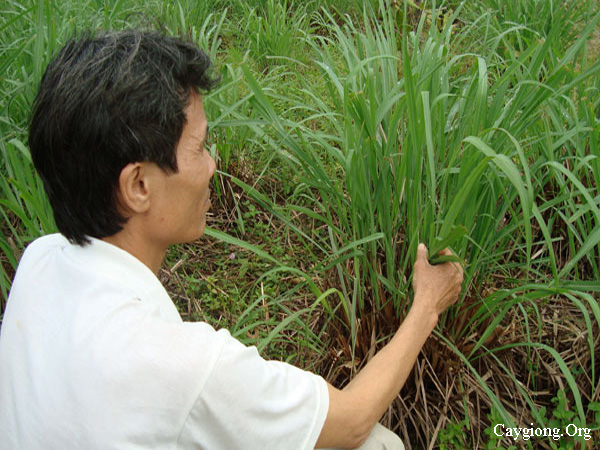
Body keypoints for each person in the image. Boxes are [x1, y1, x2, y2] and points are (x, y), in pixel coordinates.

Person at [0, 30, 463, 449]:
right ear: (138, 186)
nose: (213, 166)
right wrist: (427, 306)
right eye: (200, 148)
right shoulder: (184, 367)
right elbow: (353, 421)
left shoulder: (38, 262)